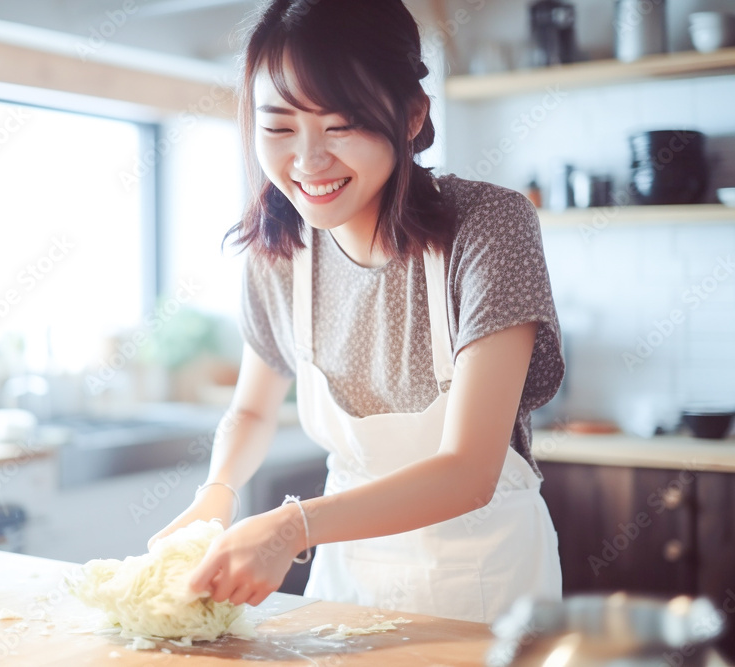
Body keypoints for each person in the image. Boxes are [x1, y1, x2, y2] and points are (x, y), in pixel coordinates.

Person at [149, 0, 564, 624]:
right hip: (348, 581)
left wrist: (292, 527)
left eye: (340, 125)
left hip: (489, 587)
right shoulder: (280, 254)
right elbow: (254, 407)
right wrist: (218, 492)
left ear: (412, 115)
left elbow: (469, 471)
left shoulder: (489, 228)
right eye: (281, 128)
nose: (309, 162)